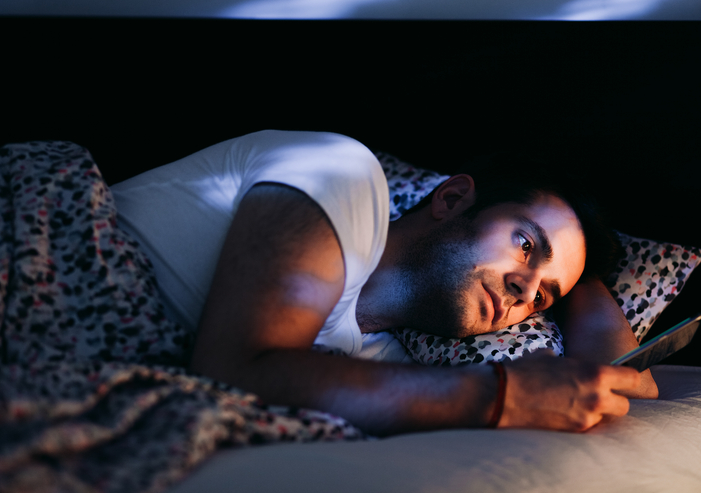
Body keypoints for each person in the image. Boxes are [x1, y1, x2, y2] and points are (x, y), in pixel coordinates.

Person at [111, 130, 657, 437]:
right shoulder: (343, 174)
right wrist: (499, 395)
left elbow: (627, 387)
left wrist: (581, 282)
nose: (525, 289)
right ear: (451, 199)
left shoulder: (379, 367)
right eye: (526, 244)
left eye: (542, 297)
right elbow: (232, 369)